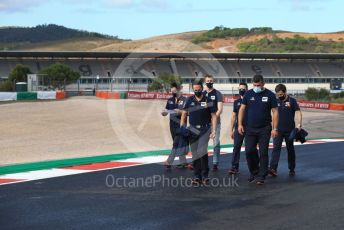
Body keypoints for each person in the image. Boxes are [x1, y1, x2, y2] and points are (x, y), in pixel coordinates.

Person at [238, 74, 279, 185]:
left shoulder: (270, 95)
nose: (256, 87)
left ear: (263, 83)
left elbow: (275, 111)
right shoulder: (248, 94)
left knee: (263, 152)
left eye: (258, 85)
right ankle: (254, 172)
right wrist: (240, 124)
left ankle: (262, 175)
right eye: (255, 85)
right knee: (249, 151)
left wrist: (275, 128)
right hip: (250, 128)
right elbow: (242, 109)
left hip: (264, 128)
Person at [181, 80, 217, 185]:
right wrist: (182, 128)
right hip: (192, 130)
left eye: (199, 90)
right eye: (195, 90)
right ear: (193, 89)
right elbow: (184, 114)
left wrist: (213, 130)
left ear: (202, 89)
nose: (197, 91)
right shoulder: (189, 100)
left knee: (202, 151)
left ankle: (205, 175)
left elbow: (214, 116)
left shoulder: (208, 100)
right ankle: (197, 176)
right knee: (195, 153)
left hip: (205, 129)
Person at [269, 84, 302, 177]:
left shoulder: (292, 101)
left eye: (280, 94)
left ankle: (292, 169)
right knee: (276, 149)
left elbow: (298, 112)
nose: (279, 96)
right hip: (277, 130)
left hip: (290, 130)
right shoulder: (275, 101)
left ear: (285, 92)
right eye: (277, 95)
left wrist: (299, 124)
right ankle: (273, 169)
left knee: (290, 149)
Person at [162, 83, 188, 169]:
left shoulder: (185, 100)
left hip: (181, 124)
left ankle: (169, 161)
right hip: (172, 125)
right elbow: (166, 111)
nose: (172, 92)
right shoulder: (169, 100)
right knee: (177, 143)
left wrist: (180, 111)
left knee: (176, 143)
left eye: (174, 91)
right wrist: (164, 113)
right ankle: (183, 162)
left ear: (178, 90)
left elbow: (188, 112)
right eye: (171, 91)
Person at [204, 74, 223, 172]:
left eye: (211, 81)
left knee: (215, 143)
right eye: (208, 81)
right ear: (205, 81)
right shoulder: (202, 94)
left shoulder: (217, 93)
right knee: (203, 143)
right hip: (205, 123)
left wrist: (214, 118)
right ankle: (203, 163)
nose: (209, 82)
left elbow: (220, 109)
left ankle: (215, 163)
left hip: (216, 122)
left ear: (213, 81)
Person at [228, 82, 248, 175]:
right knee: (236, 148)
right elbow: (233, 116)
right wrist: (231, 130)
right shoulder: (236, 102)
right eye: (240, 89)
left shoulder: (251, 100)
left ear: (247, 89)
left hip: (249, 128)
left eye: (243, 88)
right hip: (238, 128)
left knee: (251, 149)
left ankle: (255, 167)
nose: (241, 90)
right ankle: (234, 167)